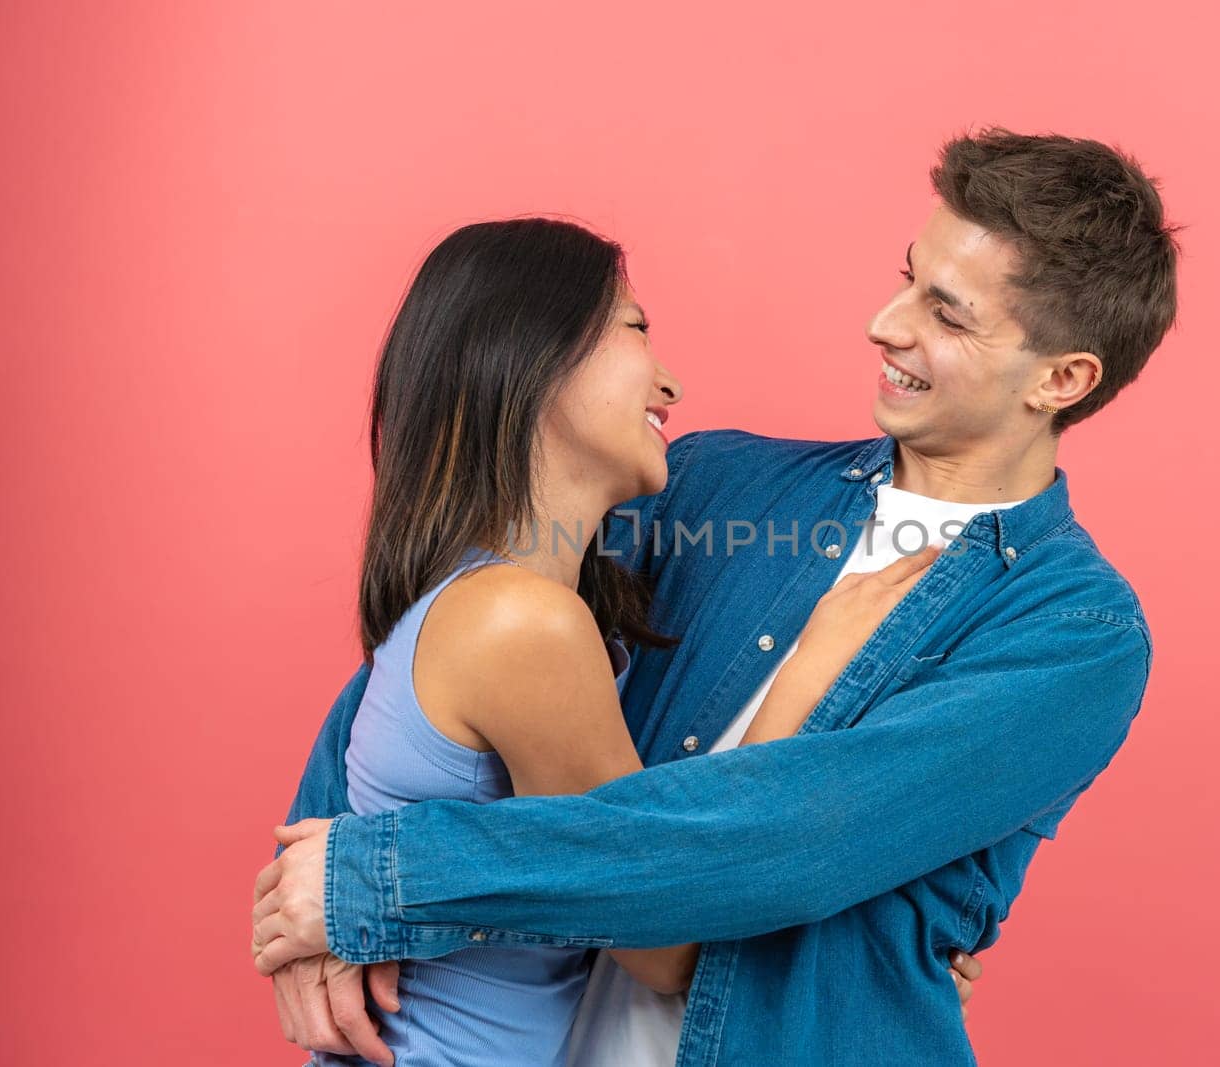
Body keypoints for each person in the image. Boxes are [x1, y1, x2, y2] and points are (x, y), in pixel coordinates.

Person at [252, 127, 1180, 1066]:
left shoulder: (1071, 632)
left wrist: (375, 879)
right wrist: (311, 894)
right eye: (907, 277)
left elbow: (775, 839)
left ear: (1061, 379)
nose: (886, 323)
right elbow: (455, 640)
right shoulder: (714, 487)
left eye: (946, 313)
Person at [275, 215, 945, 1066]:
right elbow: (662, 943)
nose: (670, 381)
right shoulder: (521, 624)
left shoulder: (502, 604)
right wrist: (809, 665)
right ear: (535, 354)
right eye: (636, 328)